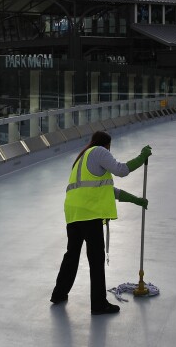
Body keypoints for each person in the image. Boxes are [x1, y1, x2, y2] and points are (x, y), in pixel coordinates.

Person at [51, 131, 152, 315]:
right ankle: (98, 304)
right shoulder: (99, 151)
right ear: (107, 144)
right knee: (96, 260)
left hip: (73, 213)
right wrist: (142, 156)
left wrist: (136, 200)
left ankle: (59, 294)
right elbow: (122, 170)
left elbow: (109, 190)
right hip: (90, 215)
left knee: (71, 255)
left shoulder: (83, 158)